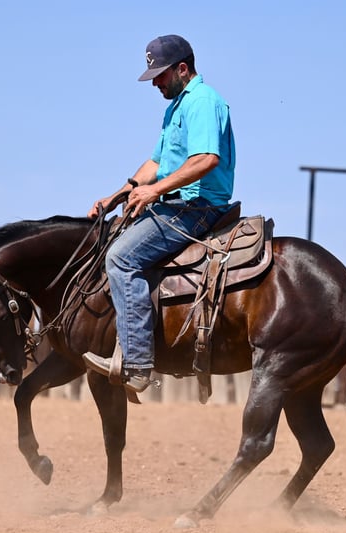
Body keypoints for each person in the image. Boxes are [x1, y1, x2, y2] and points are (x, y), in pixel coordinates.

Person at [83, 34, 236, 393]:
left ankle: (136, 363)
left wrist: (154, 191)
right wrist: (117, 195)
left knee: (121, 258)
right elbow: (156, 163)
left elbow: (206, 159)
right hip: (175, 201)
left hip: (198, 206)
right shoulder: (176, 107)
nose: (155, 82)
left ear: (183, 69)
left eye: (160, 74)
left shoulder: (202, 101)